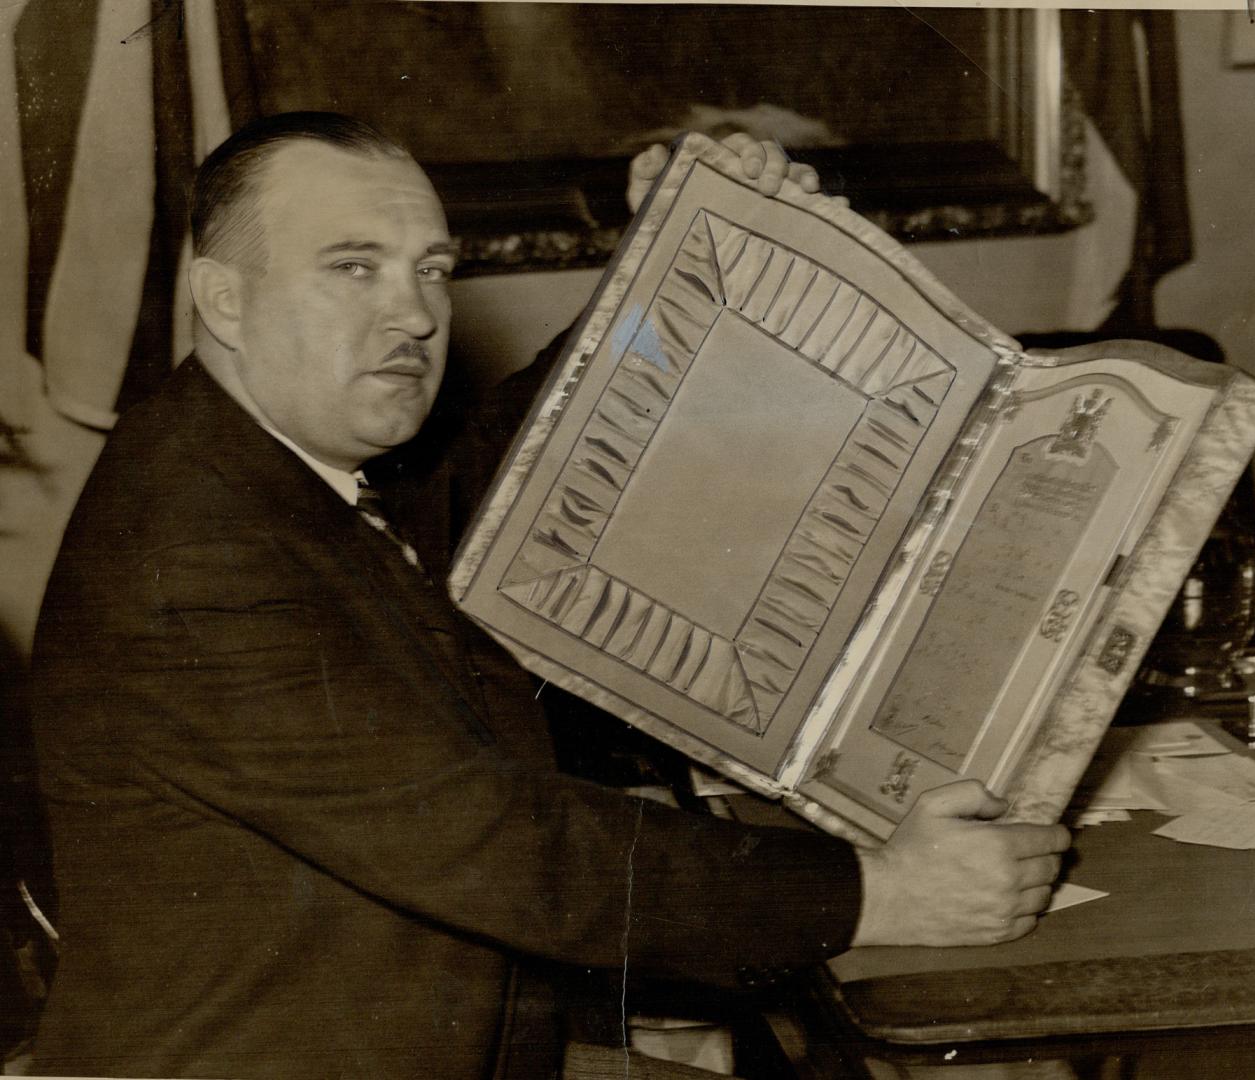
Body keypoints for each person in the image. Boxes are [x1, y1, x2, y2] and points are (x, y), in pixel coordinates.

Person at [28, 112, 1070, 1079]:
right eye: (355, 269)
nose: (414, 315)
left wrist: (670, 261)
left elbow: (497, 483)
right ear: (223, 298)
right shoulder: (196, 547)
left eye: (431, 270)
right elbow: (502, 845)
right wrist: (882, 891)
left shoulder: (259, 461)